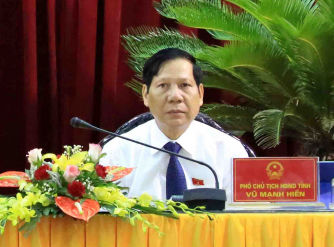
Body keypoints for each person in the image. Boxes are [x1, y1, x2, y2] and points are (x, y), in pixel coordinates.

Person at [101, 48, 250, 202]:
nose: (175, 96)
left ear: (200, 94)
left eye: (184, 85)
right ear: (145, 94)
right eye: (163, 85)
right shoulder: (117, 152)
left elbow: (244, 214)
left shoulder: (229, 152)